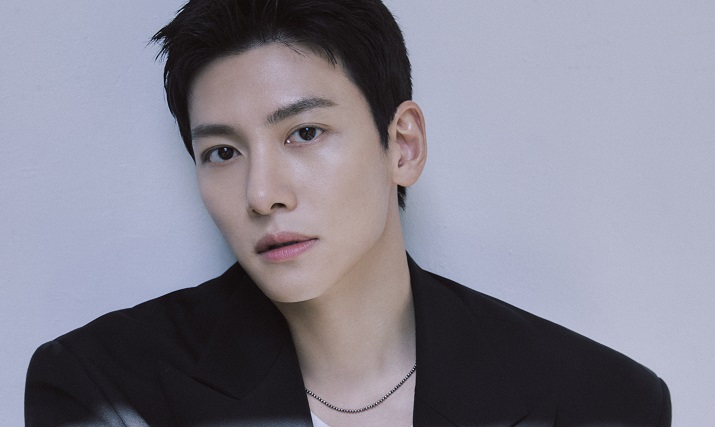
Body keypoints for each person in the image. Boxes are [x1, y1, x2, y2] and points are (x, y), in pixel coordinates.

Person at [25, 0, 671, 425]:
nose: (262, 194)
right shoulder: (104, 390)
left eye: (304, 133)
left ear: (403, 146)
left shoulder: (599, 402)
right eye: (222, 151)